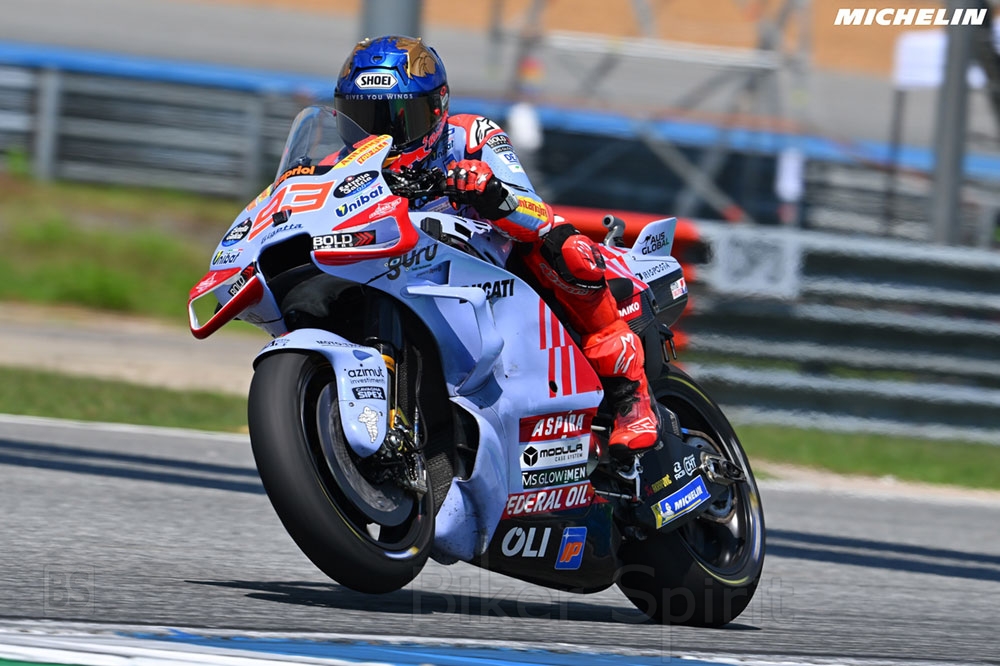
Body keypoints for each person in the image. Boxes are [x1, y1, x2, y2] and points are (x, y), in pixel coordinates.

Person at [334, 35, 658, 458]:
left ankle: (630, 396)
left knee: (565, 247)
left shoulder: (470, 136)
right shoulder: (343, 170)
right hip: (410, 280)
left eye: (397, 120)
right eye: (363, 121)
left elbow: (534, 211)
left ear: (436, 109)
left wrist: (491, 194)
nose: (381, 138)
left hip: (498, 269)